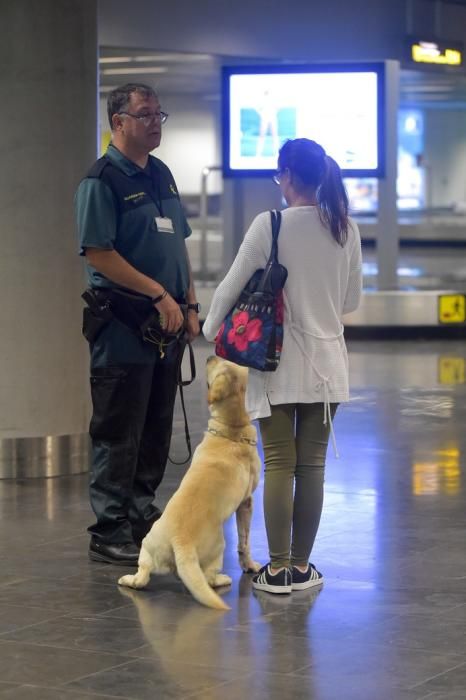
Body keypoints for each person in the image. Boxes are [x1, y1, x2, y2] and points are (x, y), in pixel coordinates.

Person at [203, 138, 362, 594]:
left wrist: (212, 331)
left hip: (277, 363)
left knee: (278, 464)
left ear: (288, 175)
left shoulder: (270, 225)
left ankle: (277, 570)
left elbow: (231, 287)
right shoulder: (344, 229)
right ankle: (302, 569)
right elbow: (351, 301)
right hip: (330, 366)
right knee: (312, 467)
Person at [75, 83, 201, 566]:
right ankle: (108, 528)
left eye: (159, 115)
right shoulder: (101, 180)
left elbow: (179, 245)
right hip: (123, 324)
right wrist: (158, 293)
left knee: (155, 426)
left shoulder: (163, 175)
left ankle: (140, 514)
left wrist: (189, 304)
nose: (155, 122)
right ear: (118, 122)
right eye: (145, 114)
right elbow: (99, 253)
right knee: (117, 428)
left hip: (167, 324)